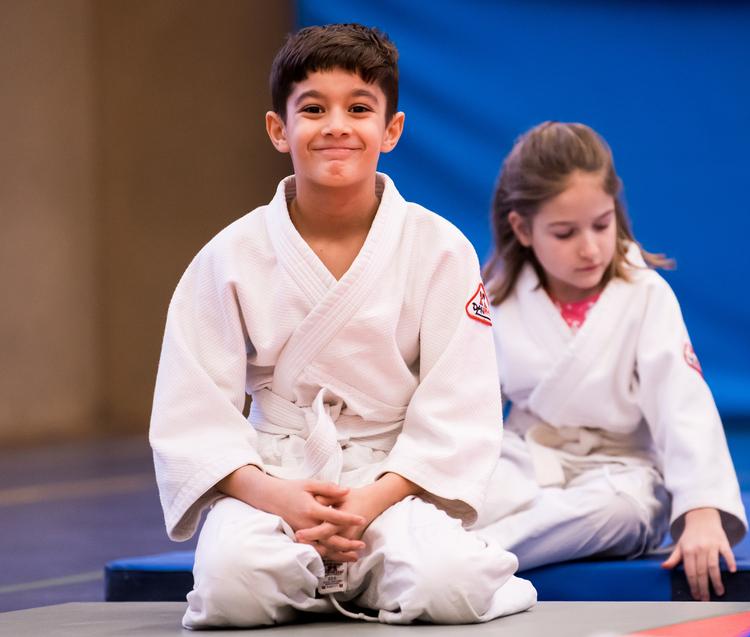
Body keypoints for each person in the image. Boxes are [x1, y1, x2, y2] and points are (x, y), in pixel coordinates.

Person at [149, 24, 535, 628]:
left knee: (449, 586)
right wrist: (279, 496)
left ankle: (360, 570)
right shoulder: (230, 255)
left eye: (359, 108)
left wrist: (367, 501)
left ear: (391, 130)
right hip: (275, 473)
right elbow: (191, 411)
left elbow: (459, 404)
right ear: (280, 129)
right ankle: (350, 578)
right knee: (231, 590)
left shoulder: (439, 249)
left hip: (389, 478)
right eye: (313, 108)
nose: (336, 125)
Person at [476, 121, 748, 602]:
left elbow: (682, 404)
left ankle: (471, 557)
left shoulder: (645, 296)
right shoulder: (498, 301)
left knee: (616, 513)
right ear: (522, 228)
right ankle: (442, 541)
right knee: (458, 497)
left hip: (620, 474)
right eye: (565, 232)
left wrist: (702, 508)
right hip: (526, 460)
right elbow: (466, 407)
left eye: (603, 224)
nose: (591, 247)